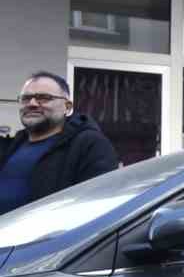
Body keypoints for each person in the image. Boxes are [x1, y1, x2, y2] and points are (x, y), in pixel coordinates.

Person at [0, 72, 119, 215]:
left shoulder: (90, 145)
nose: (32, 104)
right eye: (26, 98)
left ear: (67, 107)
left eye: (44, 98)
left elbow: (96, 207)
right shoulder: (14, 145)